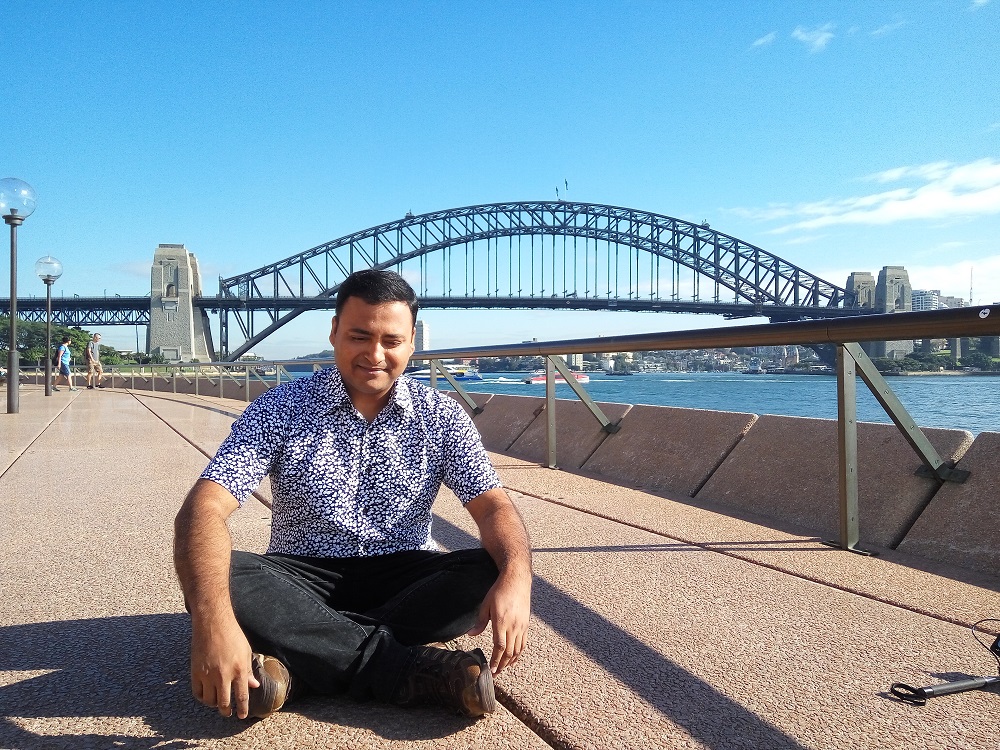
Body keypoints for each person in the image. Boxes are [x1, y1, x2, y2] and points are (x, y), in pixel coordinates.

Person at [173, 269, 533, 722]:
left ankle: (302, 665)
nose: (375, 354)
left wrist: (517, 577)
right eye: (359, 336)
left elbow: (493, 504)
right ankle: (410, 669)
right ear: (334, 332)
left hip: (403, 573)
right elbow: (203, 508)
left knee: (485, 568)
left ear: (411, 344)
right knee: (221, 570)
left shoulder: (440, 416)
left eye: (392, 341)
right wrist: (211, 622)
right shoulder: (279, 408)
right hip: (302, 576)